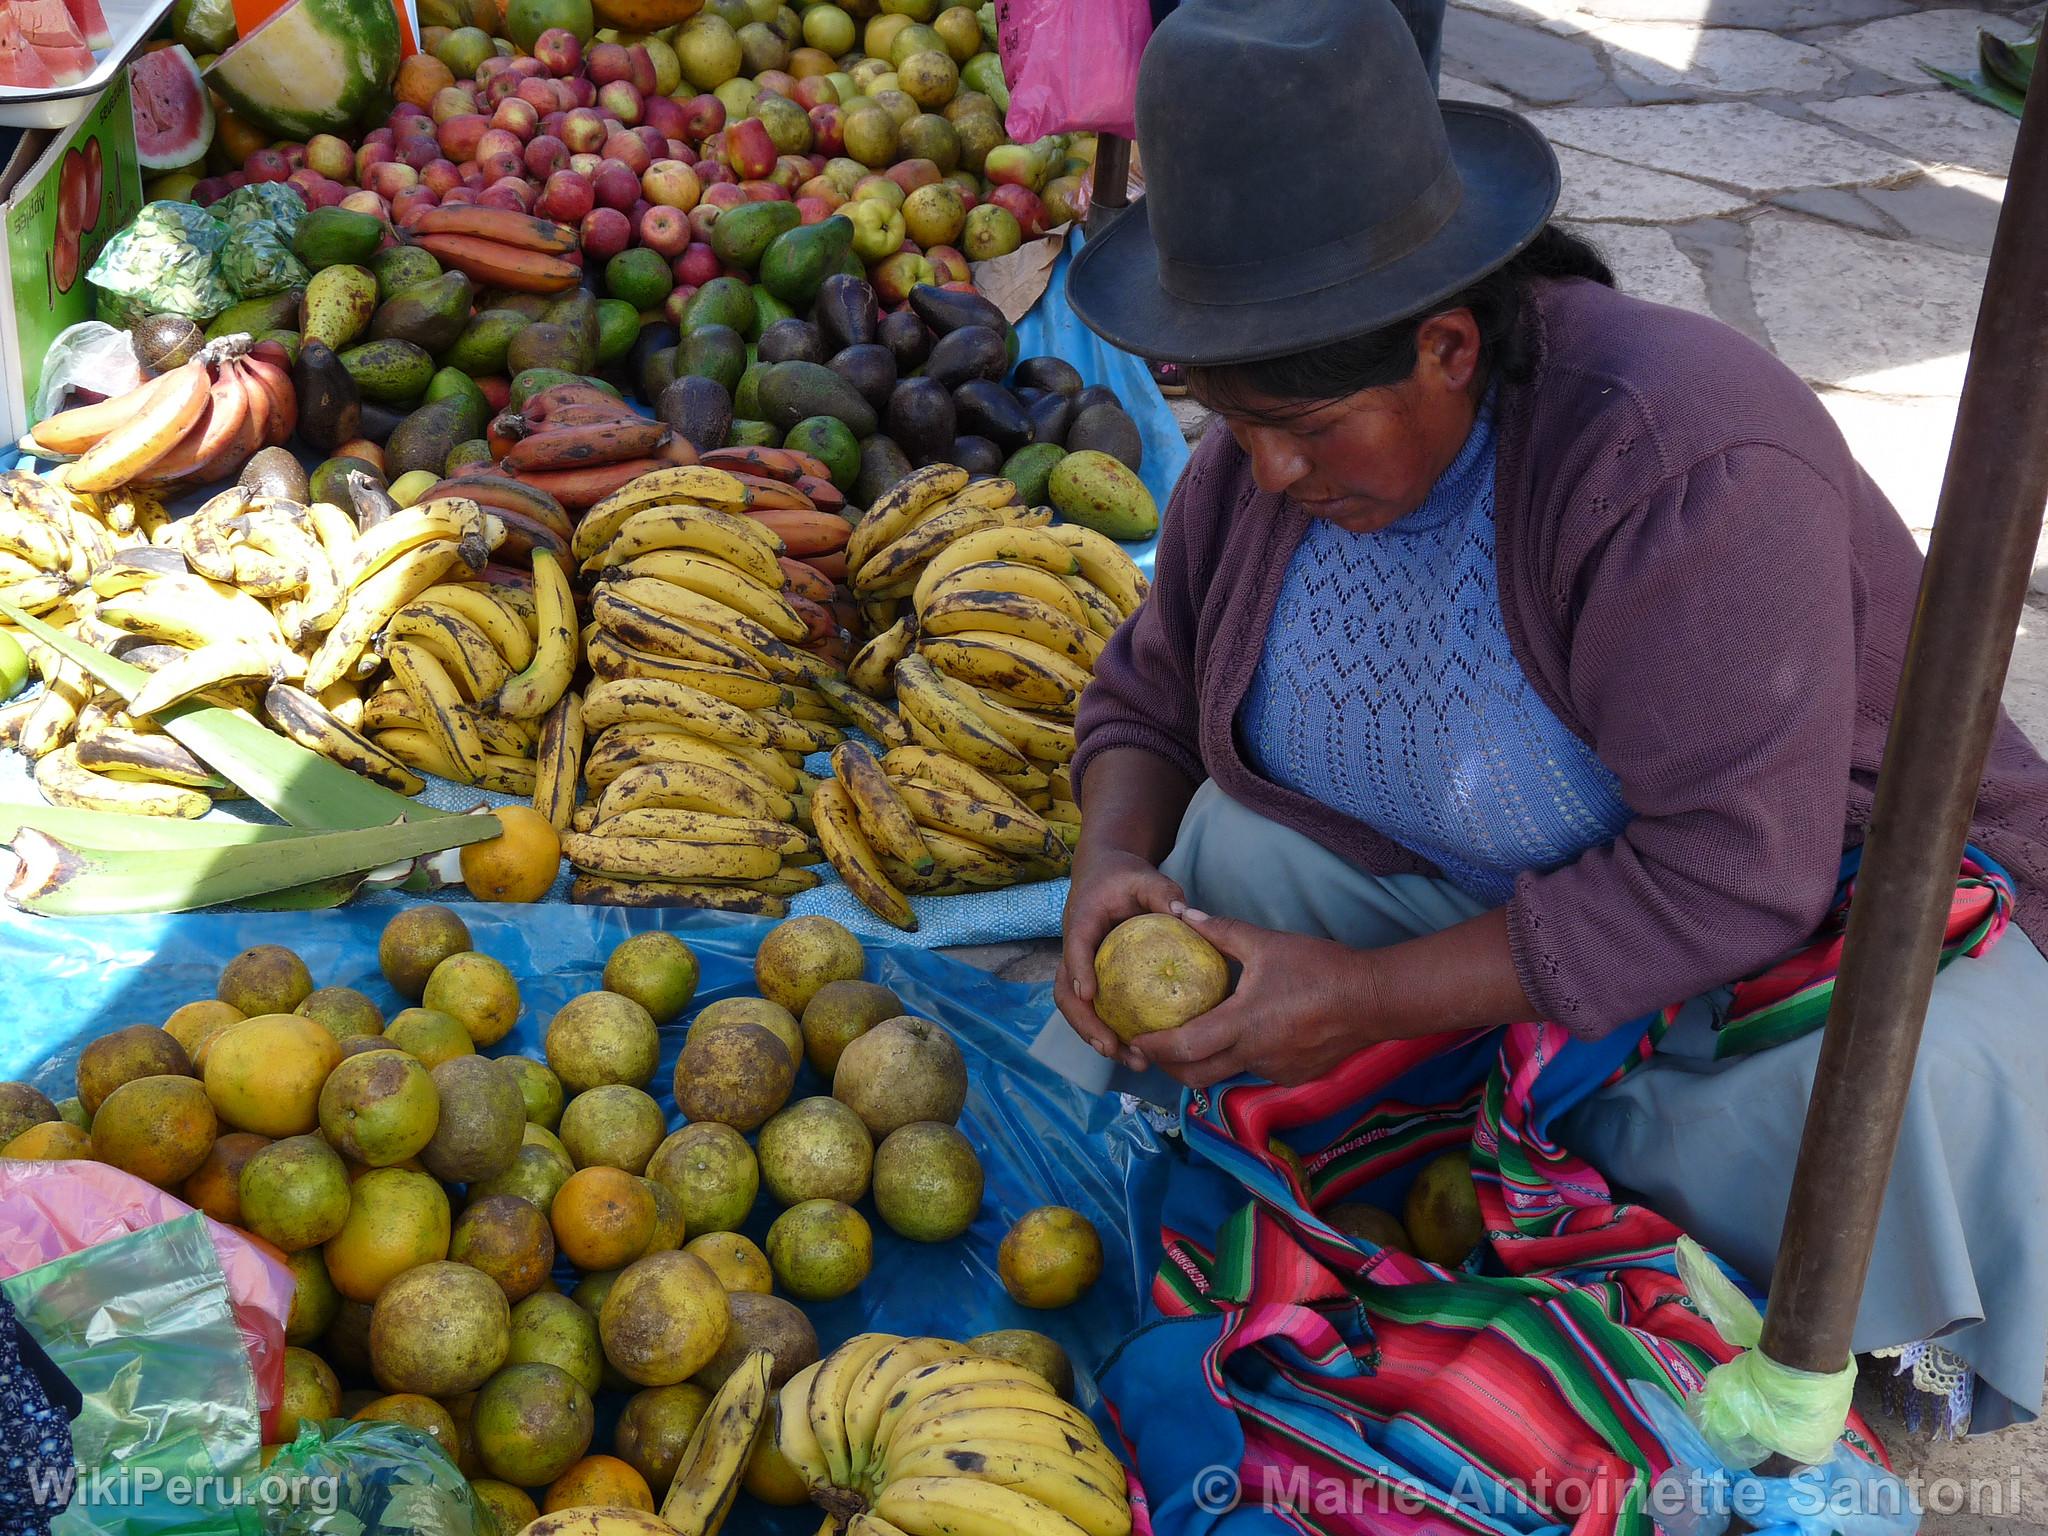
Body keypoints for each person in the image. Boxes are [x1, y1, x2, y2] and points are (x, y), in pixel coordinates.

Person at [1056, 0, 2048, 1432]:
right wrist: (1107, 863)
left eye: (1308, 428)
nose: (1261, 469)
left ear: (1448, 348)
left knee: (1913, 1098)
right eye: (1221, 414)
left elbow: (1729, 874)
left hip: (1769, 946)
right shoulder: (1252, 478)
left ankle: (1870, 1333)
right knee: (1228, 854)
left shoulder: (1677, 460)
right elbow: (1144, 695)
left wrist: (1372, 1002)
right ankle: (1491, 1157)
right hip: (1496, 912)